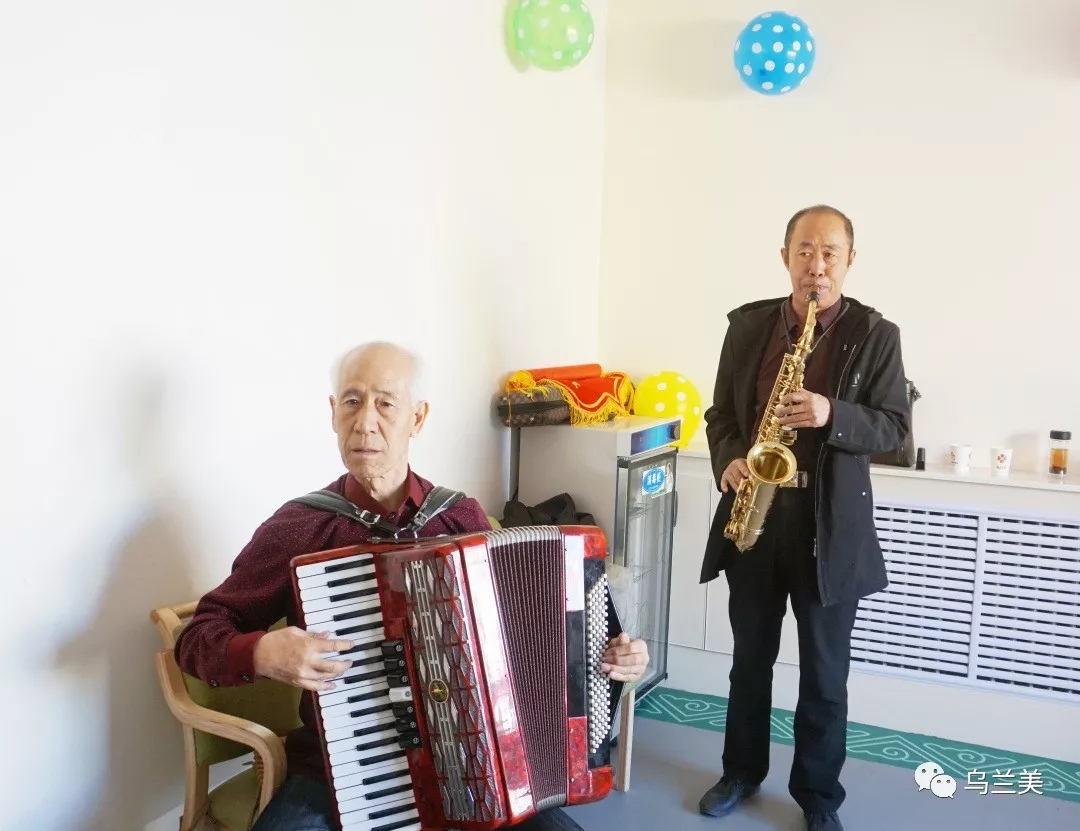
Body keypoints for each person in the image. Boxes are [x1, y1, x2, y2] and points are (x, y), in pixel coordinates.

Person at [174, 340, 650, 831]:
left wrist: (618, 658)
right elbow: (198, 636)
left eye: (385, 403)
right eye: (352, 401)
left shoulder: (459, 518)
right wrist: (261, 652)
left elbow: (541, 641)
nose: (365, 422)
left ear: (417, 419)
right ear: (333, 413)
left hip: (475, 769)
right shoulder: (300, 528)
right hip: (340, 775)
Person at [695, 206, 911, 831]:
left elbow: (894, 429)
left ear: (850, 260)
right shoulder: (748, 326)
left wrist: (830, 412)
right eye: (805, 251)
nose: (817, 266)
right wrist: (731, 460)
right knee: (749, 660)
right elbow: (720, 416)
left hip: (829, 527)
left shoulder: (876, 334)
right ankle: (740, 772)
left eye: (830, 253)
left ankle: (818, 798)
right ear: (785, 256)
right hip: (758, 515)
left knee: (824, 674)